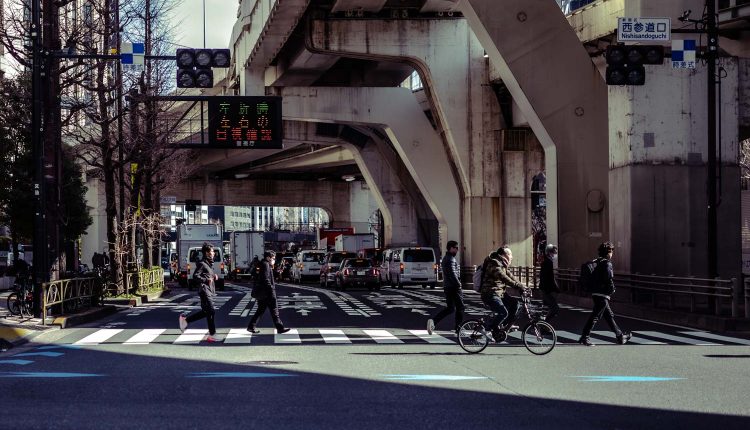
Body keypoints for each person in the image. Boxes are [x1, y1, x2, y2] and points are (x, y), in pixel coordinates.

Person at [578, 241, 632, 347]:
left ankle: (620, 336)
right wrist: (612, 289)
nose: (612, 254)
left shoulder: (595, 261)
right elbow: (608, 278)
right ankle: (585, 337)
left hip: (595, 293)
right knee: (595, 316)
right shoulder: (607, 263)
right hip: (603, 294)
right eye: (611, 251)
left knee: (608, 315)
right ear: (608, 252)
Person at [479, 245, 525, 342]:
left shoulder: (502, 264)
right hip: (490, 293)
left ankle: (503, 326)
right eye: (510, 254)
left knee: (515, 304)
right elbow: (503, 277)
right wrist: (516, 286)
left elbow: (510, 276)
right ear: (504, 255)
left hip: (499, 293)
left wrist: (522, 286)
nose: (511, 257)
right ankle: (487, 329)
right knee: (503, 312)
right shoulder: (494, 263)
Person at [179, 242, 221, 342]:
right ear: (207, 253)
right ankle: (212, 334)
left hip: (208, 290)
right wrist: (206, 280)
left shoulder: (208, 264)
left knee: (206, 312)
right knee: (211, 311)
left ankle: (185, 320)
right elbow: (195, 276)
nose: (213, 253)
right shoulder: (202, 264)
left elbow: (206, 275)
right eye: (212, 251)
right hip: (204, 290)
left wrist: (213, 276)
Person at [247, 250, 291, 334]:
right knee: (274, 310)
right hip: (268, 293)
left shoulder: (263, 264)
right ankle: (280, 328)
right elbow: (266, 279)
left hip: (263, 293)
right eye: (273, 258)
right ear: (268, 257)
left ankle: (251, 326)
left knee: (261, 310)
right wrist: (271, 289)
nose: (274, 260)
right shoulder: (265, 264)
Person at [427, 240, 465, 335]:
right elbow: (453, 273)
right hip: (454, 287)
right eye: (456, 248)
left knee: (450, 308)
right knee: (460, 307)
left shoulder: (446, 258)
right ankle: (458, 328)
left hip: (448, 286)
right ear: (451, 248)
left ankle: (434, 321)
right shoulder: (450, 259)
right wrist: (459, 284)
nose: (457, 250)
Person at [539, 243, 560, 322]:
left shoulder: (546, 261)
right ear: (549, 253)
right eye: (554, 252)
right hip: (546, 290)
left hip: (544, 288)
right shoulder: (548, 262)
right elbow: (550, 277)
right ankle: (544, 325)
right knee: (555, 308)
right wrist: (556, 288)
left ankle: (542, 326)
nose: (555, 254)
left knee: (545, 309)